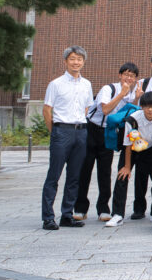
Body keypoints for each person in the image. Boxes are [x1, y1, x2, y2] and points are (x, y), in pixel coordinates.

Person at [75, 62, 139, 222]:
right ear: (120, 75)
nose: (128, 78)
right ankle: (80, 208)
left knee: (105, 171)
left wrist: (136, 98)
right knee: (85, 169)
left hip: (109, 133)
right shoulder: (108, 89)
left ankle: (103, 208)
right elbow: (105, 110)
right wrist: (121, 94)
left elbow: (131, 114)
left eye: (132, 76)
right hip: (92, 129)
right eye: (126, 74)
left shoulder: (132, 94)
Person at [42, 46, 93, 230]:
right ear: (66, 61)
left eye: (79, 59)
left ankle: (67, 214)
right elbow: (47, 110)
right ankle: (48, 216)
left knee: (74, 176)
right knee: (53, 175)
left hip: (80, 131)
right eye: (72, 59)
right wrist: (55, 131)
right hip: (61, 130)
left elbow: (87, 108)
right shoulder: (56, 84)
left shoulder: (86, 84)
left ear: (83, 62)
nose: (76, 62)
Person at [108, 90, 152, 227]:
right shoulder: (133, 119)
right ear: (141, 106)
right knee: (122, 176)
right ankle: (118, 214)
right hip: (132, 149)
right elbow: (128, 145)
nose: (150, 109)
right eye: (147, 106)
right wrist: (126, 167)